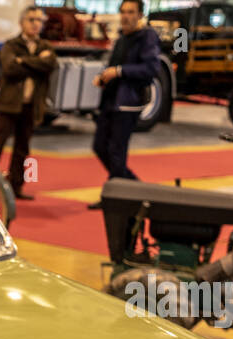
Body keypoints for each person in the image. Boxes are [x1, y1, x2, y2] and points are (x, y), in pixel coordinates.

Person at [88, 0, 161, 209]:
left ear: (139, 14)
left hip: (127, 104)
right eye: (122, 12)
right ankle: (135, 188)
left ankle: (114, 198)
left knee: (117, 152)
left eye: (130, 12)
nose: (125, 16)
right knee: (100, 146)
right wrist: (104, 77)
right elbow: (114, 66)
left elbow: (150, 69)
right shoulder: (122, 39)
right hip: (110, 101)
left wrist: (119, 72)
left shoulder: (147, 37)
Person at [0, 6, 56, 202]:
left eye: (39, 20)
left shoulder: (46, 47)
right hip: (8, 105)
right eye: (31, 19)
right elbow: (10, 68)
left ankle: (16, 188)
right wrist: (35, 63)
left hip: (31, 106)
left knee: (22, 149)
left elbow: (50, 66)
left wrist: (23, 61)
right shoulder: (11, 45)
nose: (35, 24)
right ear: (22, 22)